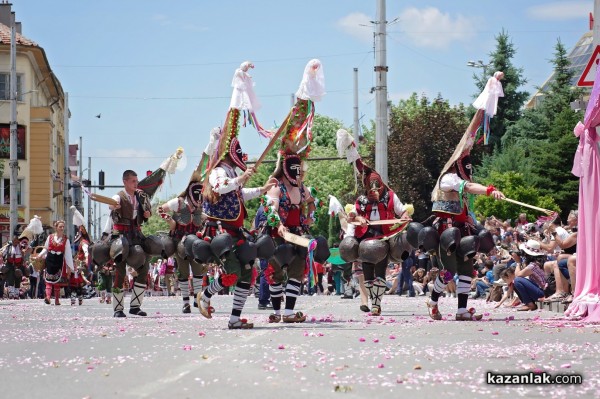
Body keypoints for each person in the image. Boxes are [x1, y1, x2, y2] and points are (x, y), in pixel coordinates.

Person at [425, 82, 506, 321]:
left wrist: (479, 225)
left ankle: (461, 310)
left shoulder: (460, 178)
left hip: (464, 230)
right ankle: (432, 302)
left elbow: (467, 201)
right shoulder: (449, 178)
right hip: (447, 232)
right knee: (449, 272)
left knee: (467, 270)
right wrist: (491, 190)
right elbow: (469, 187)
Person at [337, 129, 411, 316]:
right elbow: (353, 214)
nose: (374, 192)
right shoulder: (361, 200)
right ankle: (373, 301)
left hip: (384, 238)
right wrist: (355, 218)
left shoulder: (391, 196)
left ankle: (376, 304)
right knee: (368, 271)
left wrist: (403, 217)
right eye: (370, 189)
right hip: (365, 239)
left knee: (380, 269)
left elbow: (402, 210)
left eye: (376, 189)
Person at [108, 170, 153, 317]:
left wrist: (147, 214)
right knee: (120, 273)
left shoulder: (140, 197)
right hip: (120, 236)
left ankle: (135, 306)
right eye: (133, 181)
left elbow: (147, 212)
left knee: (144, 268)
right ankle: (118, 309)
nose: (136, 183)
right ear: (125, 182)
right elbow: (111, 205)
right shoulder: (118, 196)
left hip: (136, 236)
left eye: (136, 180)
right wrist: (114, 206)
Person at [33, 220, 74, 305]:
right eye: (60, 227)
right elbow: (46, 248)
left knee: (57, 282)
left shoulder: (66, 240)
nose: (62, 228)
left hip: (60, 261)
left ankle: (56, 299)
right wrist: (40, 255)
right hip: (50, 260)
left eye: (63, 227)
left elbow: (68, 253)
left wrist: (69, 266)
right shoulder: (50, 237)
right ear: (56, 227)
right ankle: (48, 297)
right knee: (48, 280)